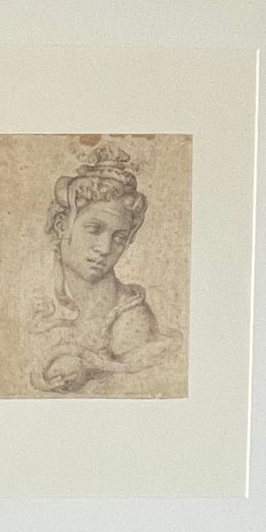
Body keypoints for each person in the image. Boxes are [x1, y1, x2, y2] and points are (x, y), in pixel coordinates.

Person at [29, 140, 179, 398]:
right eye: (95, 229)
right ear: (61, 224)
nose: (105, 247)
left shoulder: (130, 321)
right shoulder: (37, 301)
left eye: (119, 237)